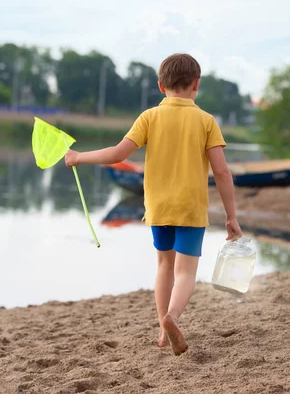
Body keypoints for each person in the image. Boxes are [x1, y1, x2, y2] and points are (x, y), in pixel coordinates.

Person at [64, 53, 242, 356]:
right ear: (196, 84)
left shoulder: (149, 117)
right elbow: (222, 172)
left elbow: (118, 154)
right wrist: (231, 216)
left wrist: (79, 157)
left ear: (161, 86)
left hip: (159, 207)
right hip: (190, 208)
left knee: (164, 266)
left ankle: (162, 329)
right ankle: (173, 317)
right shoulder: (206, 121)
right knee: (186, 272)